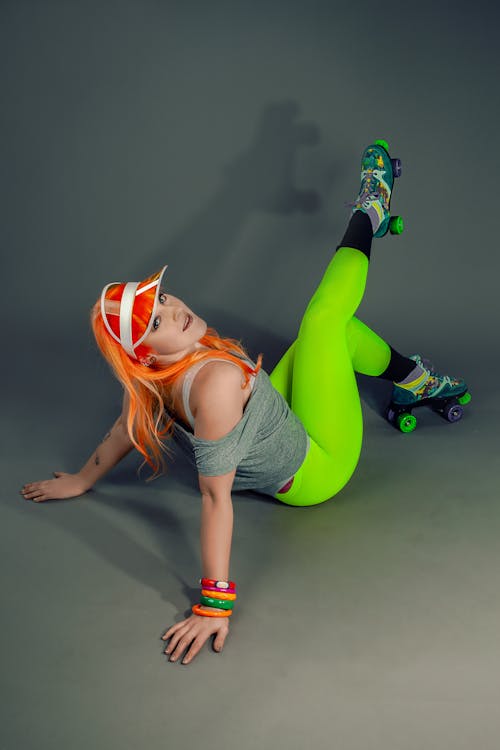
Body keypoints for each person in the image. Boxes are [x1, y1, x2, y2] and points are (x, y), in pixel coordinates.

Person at [20, 141, 470, 665]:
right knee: (324, 322)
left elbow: (123, 431)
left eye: (162, 299)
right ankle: (370, 210)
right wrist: (215, 605)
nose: (177, 310)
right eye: (157, 321)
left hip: (274, 414)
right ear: (141, 350)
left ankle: (414, 380)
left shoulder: (149, 378)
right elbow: (216, 500)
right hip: (315, 466)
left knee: (329, 334)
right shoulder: (209, 385)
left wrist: (79, 479)